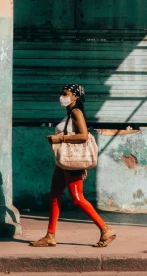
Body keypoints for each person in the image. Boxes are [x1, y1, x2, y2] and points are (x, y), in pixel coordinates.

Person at [30, 84, 116, 248]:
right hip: (64, 161)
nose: (62, 96)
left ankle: (105, 230)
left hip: (73, 162)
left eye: (65, 94)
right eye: (62, 93)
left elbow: (83, 135)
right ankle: (50, 235)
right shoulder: (69, 113)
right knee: (55, 195)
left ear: (75, 96)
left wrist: (60, 138)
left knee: (77, 198)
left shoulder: (76, 112)